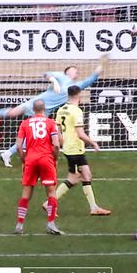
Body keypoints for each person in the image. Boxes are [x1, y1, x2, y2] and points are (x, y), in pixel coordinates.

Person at [0, 54, 107, 168]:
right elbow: (46, 73)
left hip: (44, 112)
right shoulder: (61, 76)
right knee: (14, 113)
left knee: (34, 134)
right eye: (74, 69)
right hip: (37, 103)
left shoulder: (75, 86)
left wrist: (98, 70)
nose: (77, 72)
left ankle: (7, 154)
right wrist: (53, 80)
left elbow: (90, 80)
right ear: (68, 71)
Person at [48, 85, 111, 216]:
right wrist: (93, 143)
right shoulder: (76, 111)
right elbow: (80, 134)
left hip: (70, 148)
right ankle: (50, 204)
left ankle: (94, 207)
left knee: (86, 175)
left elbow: (57, 130)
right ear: (78, 95)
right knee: (74, 178)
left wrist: (63, 143)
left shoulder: (61, 109)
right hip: (75, 150)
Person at [13, 99, 63, 235]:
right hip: (46, 159)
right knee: (51, 192)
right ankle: (51, 224)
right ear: (44, 109)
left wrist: (24, 159)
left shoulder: (25, 123)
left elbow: (18, 146)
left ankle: (19, 225)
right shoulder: (50, 123)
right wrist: (55, 158)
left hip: (30, 159)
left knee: (26, 194)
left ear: (33, 110)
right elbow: (56, 145)